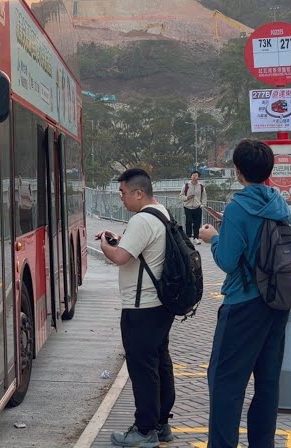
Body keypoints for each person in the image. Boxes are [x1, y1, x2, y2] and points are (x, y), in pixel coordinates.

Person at [197, 140, 291, 448]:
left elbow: (227, 260)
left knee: (225, 382)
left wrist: (214, 237)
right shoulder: (279, 203)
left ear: (238, 171)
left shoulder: (238, 207)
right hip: (276, 302)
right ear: (269, 171)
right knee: (267, 383)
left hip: (243, 303)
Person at [96, 167, 176, 447]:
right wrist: (120, 242)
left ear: (139, 193)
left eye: (123, 193)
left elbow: (120, 257)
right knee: (160, 364)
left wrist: (107, 245)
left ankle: (144, 431)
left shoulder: (142, 220)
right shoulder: (161, 212)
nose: (122, 199)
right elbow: (140, 252)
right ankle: (162, 423)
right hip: (161, 305)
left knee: (143, 370)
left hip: (141, 307)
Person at [182, 170, 206, 244]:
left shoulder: (201, 186)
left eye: (196, 175)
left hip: (197, 207)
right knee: (188, 222)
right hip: (188, 207)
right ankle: (188, 238)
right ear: (191, 176)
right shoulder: (186, 185)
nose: (194, 177)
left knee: (197, 223)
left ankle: (196, 238)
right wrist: (187, 198)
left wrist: (203, 205)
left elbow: (204, 197)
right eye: (193, 175)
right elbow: (181, 195)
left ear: (198, 177)